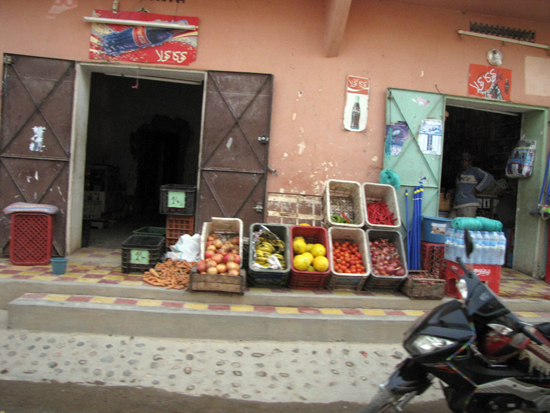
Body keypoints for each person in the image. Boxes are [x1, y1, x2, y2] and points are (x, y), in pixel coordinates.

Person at [449, 152, 494, 218]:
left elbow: (489, 177)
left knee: (466, 226)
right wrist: (450, 192)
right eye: (462, 160)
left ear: (469, 162)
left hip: (468, 204)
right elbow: (459, 188)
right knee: (450, 225)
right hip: (457, 204)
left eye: (465, 161)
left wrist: (477, 188)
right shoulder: (459, 174)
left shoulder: (475, 171)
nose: (463, 163)